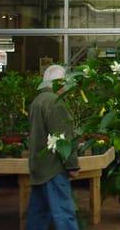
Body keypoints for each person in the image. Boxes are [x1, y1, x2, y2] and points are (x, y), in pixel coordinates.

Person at [26, 65, 80, 230]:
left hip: (38, 166)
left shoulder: (37, 101)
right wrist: (72, 165)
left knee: (38, 214)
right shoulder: (55, 102)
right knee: (63, 214)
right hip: (53, 168)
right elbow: (62, 138)